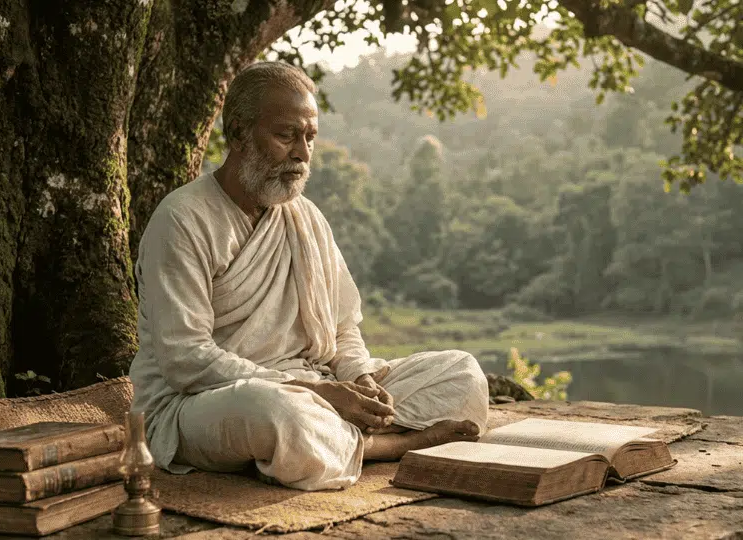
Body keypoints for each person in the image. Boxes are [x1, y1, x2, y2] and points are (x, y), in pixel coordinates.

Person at [128, 61, 489, 491]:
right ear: (238, 133)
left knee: (462, 374)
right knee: (277, 414)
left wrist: (360, 380)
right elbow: (186, 359)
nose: (301, 153)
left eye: (310, 138)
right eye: (286, 136)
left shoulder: (307, 220)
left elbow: (342, 327)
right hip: (207, 402)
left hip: (319, 384)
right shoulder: (182, 219)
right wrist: (315, 393)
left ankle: (339, 440)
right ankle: (389, 447)